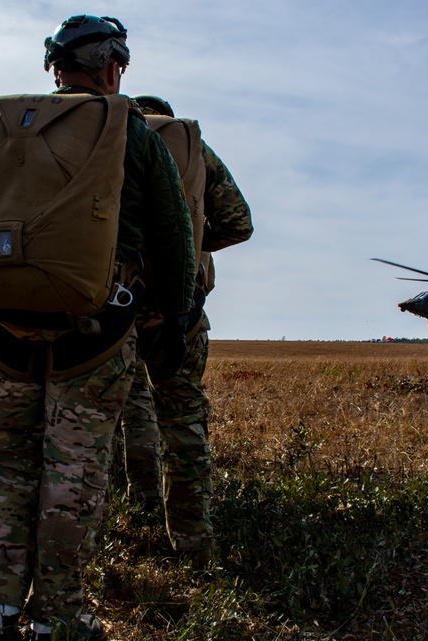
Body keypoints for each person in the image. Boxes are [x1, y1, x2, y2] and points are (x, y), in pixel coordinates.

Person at [0, 15, 196, 641]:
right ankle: (60, 618)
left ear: (56, 67)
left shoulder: (0, 120)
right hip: (93, 338)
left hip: (3, 333)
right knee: (73, 471)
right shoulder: (127, 129)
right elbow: (175, 235)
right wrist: (174, 318)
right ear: (112, 66)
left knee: (5, 463)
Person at [116, 95, 254, 564]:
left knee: (123, 411)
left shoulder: (107, 139)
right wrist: (187, 242)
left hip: (112, 304)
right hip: (178, 311)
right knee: (182, 419)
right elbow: (239, 223)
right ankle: (193, 545)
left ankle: (137, 505)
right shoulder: (194, 148)